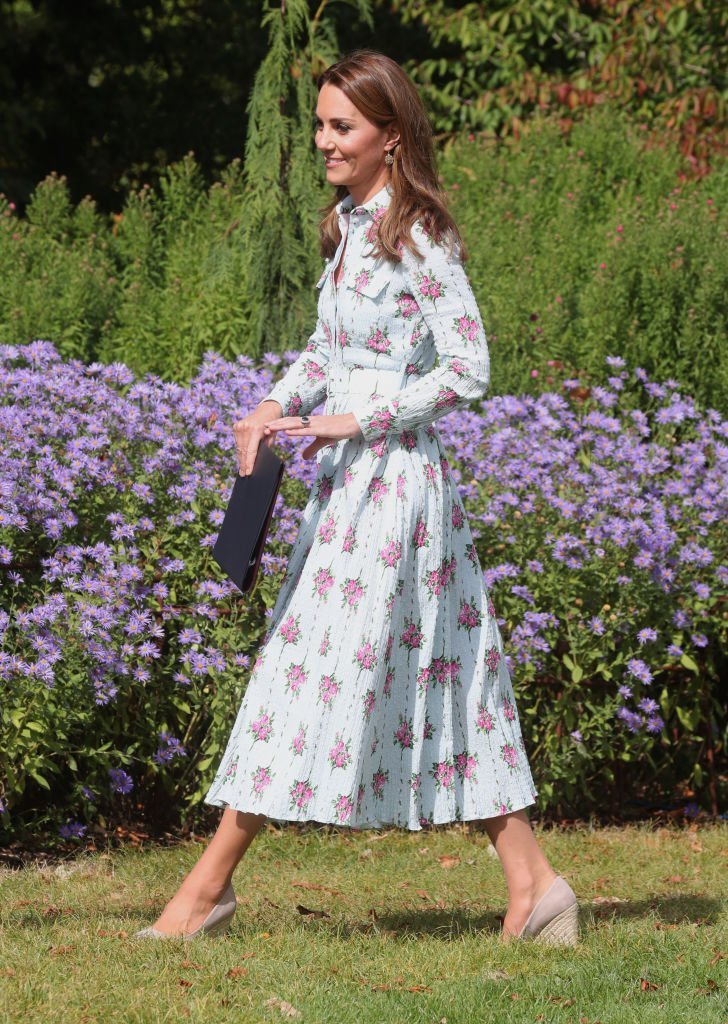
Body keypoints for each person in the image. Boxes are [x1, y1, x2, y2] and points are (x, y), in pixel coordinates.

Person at [135, 50, 578, 946]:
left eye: (343, 127)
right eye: (321, 125)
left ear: (392, 136)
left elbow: (468, 370)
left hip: (396, 490)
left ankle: (205, 890)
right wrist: (276, 402)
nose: (325, 141)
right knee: (436, 677)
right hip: (351, 494)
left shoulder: (418, 235)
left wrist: (353, 421)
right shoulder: (348, 226)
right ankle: (535, 886)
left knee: (303, 673)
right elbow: (326, 346)